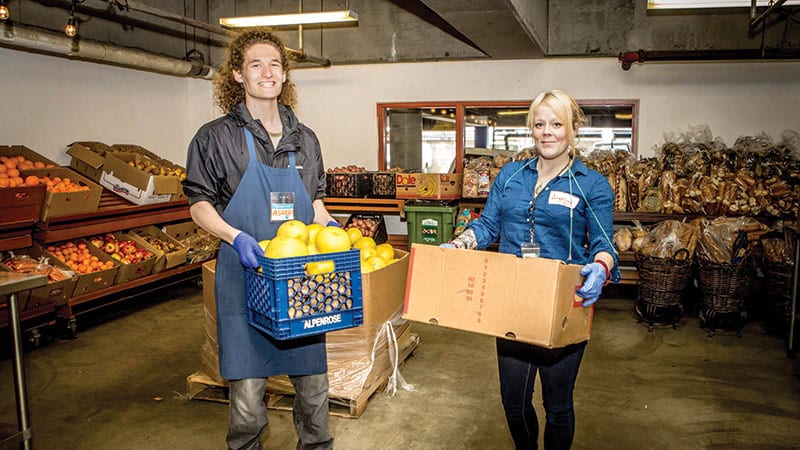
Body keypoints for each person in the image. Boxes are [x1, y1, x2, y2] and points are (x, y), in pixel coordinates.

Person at [182, 29, 339, 450]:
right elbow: (198, 204)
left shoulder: (304, 138)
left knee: (314, 392)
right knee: (249, 399)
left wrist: (335, 231)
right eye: (255, 64)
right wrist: (235, 237)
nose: (266, 72)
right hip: (245, 273)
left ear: (285, 74)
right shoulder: (214, 137)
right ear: (238, 74)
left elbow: (316, 203)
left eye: (274, 63)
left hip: (303, 278)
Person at [444, 89, 620, 449]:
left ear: (572, 129)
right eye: (539, 124)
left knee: (557, 406)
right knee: (513, 402)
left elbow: (604, 242)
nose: (547, 132)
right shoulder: (510, 176)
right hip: (512, 299)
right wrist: (458, 245)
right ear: (531, 129)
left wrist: (601, 266)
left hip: (564, 302)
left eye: (556, 124)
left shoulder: (591, 185)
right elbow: (488, 226)